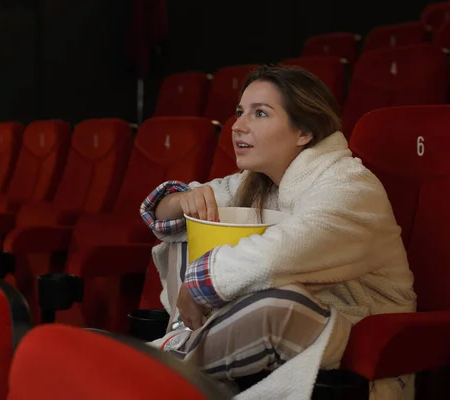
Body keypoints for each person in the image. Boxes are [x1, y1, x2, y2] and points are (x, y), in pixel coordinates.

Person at [139, 65, 417, 399]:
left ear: (304, 132)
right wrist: (184, 199)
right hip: (275, 335)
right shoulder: (257, 182)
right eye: (240, 112)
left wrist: (197, 285)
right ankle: (170, 362)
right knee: (197, 226)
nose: (238, 126)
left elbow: (286, 250)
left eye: (260, 113)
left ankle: (155, 369)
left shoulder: (350, 185)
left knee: (279, 305)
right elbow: (161, 213)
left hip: (356, 334)